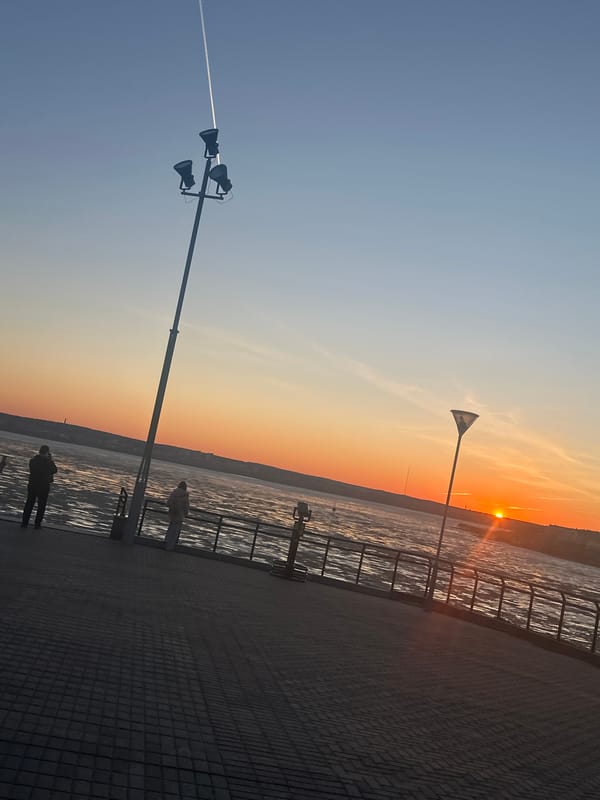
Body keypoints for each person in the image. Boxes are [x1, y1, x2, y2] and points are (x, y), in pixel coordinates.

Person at [21, 445, 57, 529]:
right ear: (47, 452)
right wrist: (50, 460)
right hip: (44, 486)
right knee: (41, 505)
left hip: (32, 484)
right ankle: (37, 524)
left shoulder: (33, 460)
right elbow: (54, 470)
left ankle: (24, 522)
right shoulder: (48, 462)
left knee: (29, 503)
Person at [164, 480, 190, 551]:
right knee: (175, 532)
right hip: (180, 515)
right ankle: (170, 546)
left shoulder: (174, 493)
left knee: (170, 529)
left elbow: (168, 503)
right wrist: (186, 513)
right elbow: (186, 507)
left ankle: (165, 543)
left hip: (172, 513)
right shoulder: (185, 495)